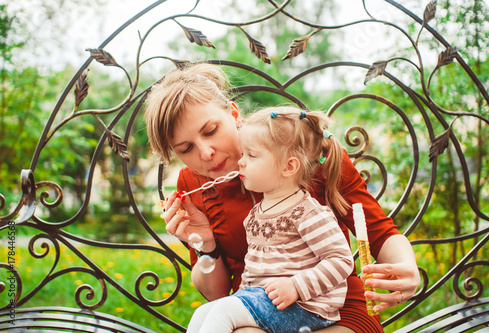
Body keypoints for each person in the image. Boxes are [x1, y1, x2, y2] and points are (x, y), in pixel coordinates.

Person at [144, 63, 420, 333]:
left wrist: (407, 268)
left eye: (211, 131)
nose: (205, 153)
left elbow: (380, 232)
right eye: (186, 148)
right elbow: (216, 294)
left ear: (233, 113)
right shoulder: (193, 184)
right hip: (254, 311)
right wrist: (206, 244)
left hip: (335, 310)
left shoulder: (302, 151)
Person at [186, 107, 355, 333]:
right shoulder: (257, 213)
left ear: (289, 167)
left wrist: (296, 286)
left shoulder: (307, 213)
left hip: (304, 307)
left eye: (251, 155)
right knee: (202, 312)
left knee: (221, 312)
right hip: (266, 301)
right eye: (243, 154)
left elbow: (341, 260)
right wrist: (241, 296)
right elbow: (256, 268)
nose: (241, 163)